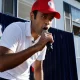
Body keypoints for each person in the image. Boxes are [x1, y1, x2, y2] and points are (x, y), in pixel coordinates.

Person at [0, 0, 60, 80]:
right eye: (43, 16)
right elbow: (1, 64)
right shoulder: (16, 29)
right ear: (32, 16)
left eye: (51, 18)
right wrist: (36, 47)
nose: (47, 22)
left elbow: (38, 68)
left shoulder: (43, 40)